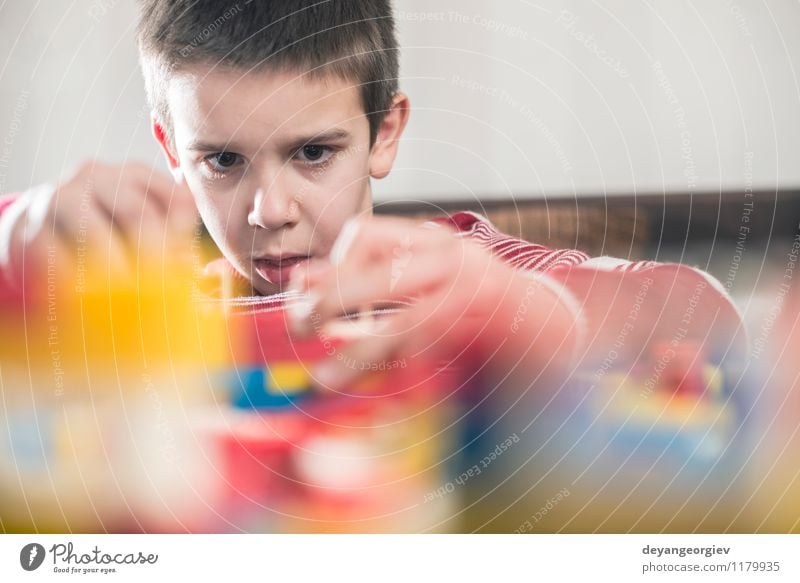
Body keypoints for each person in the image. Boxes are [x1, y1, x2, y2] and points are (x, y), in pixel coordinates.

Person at [0, 0, 746, 392]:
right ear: (172, 153)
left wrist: (522, 313)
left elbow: (706, 315)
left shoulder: (458, 274)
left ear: (383, 135)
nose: (270, 209)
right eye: (223, 160)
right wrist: (19, 239)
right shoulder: (133, 295)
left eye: (314, 153)